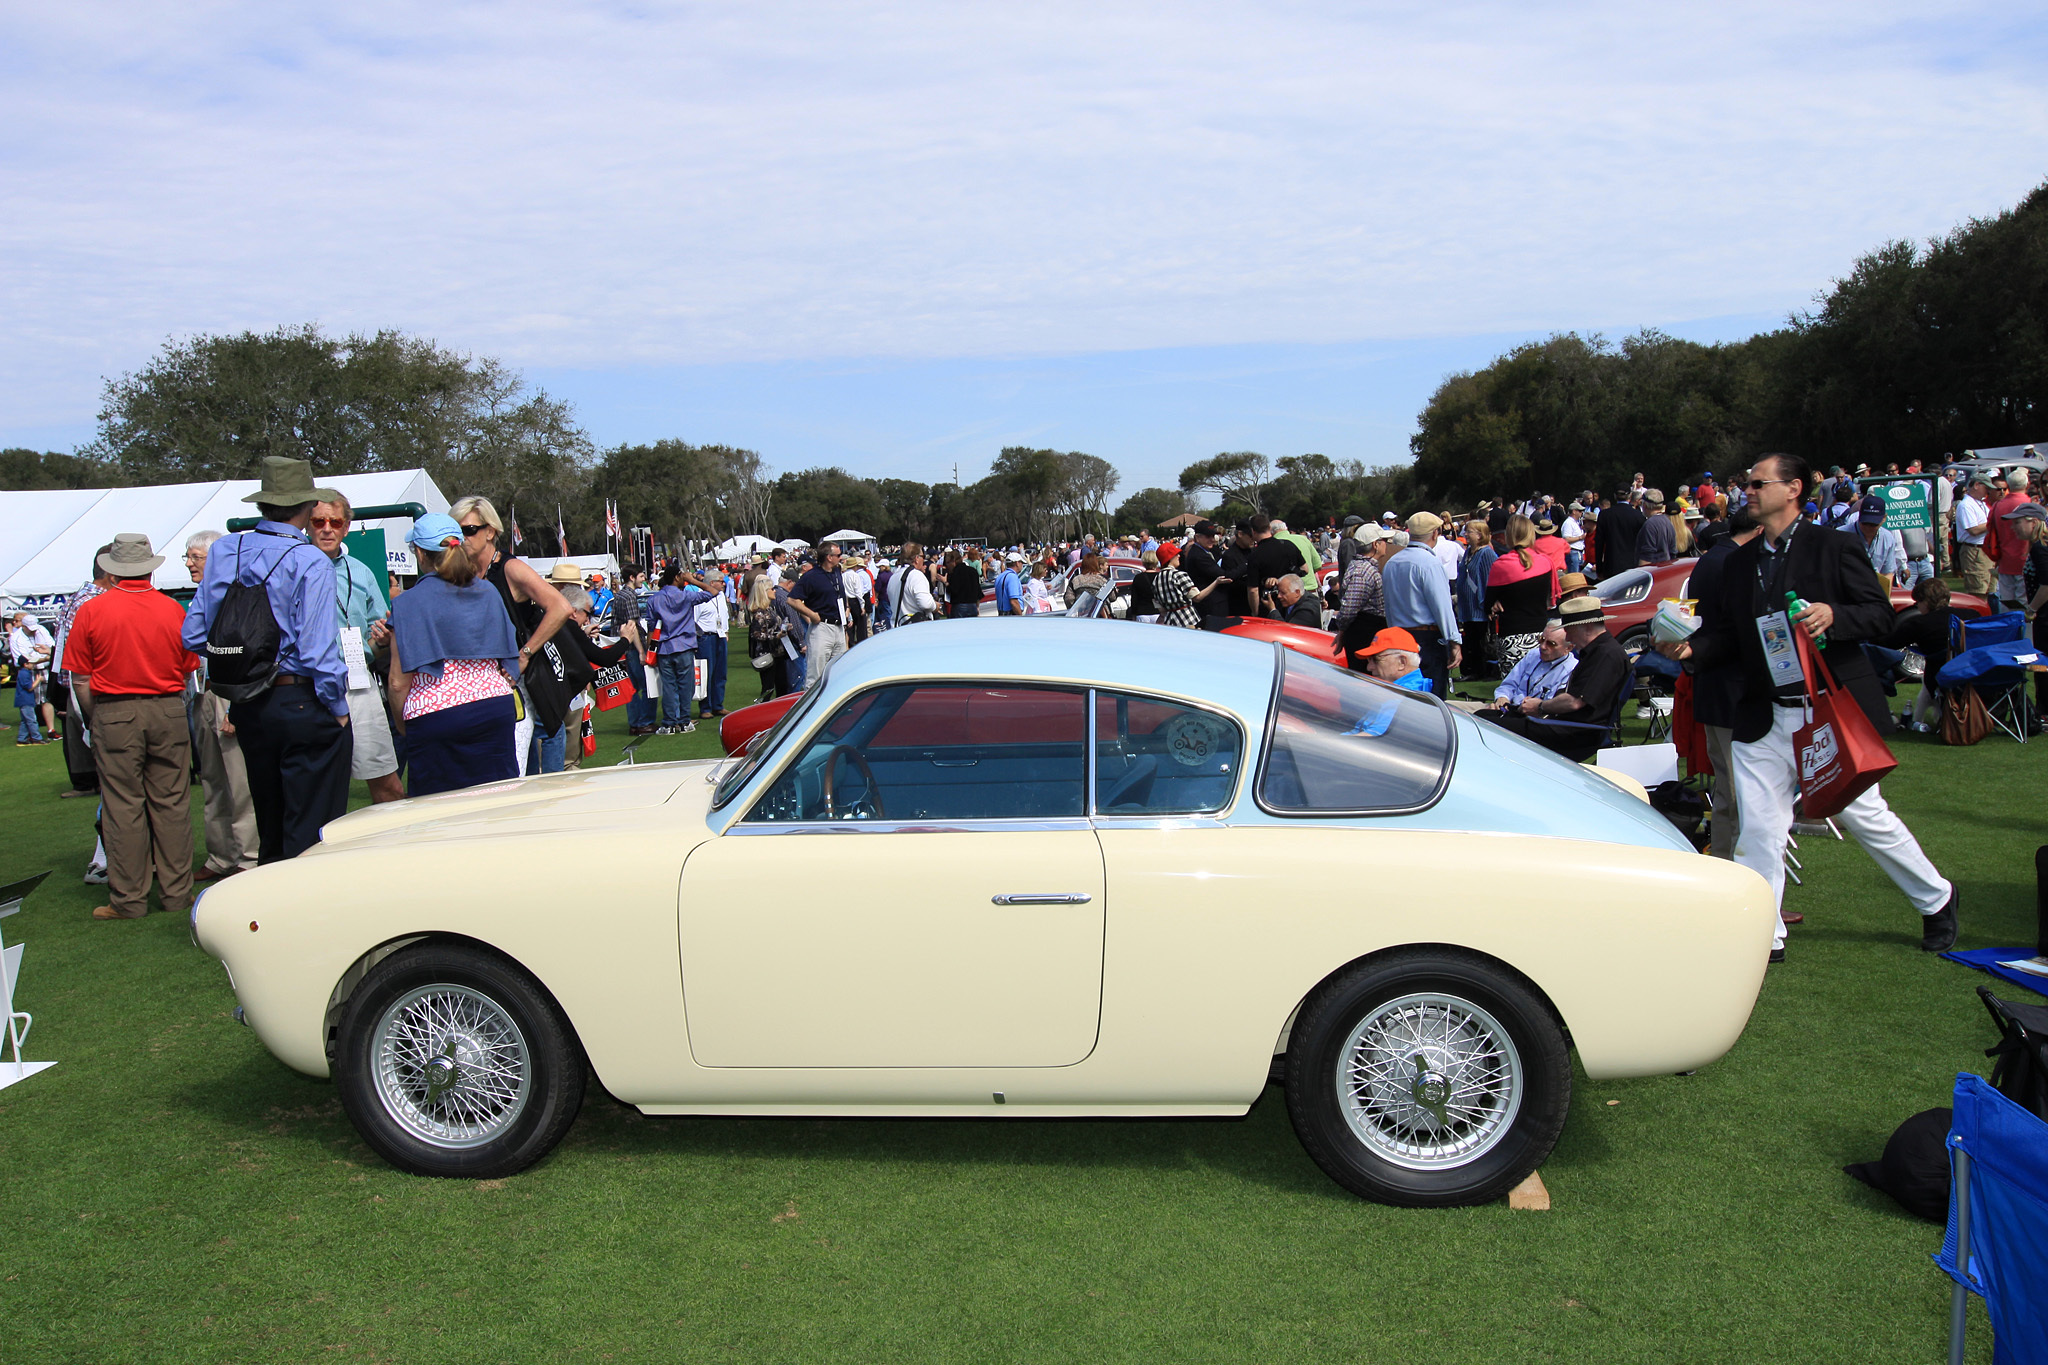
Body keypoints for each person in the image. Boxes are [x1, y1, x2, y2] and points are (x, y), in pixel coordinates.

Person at [1660, 452, 1954, 962]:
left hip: (1828, 711)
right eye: (1747, 485)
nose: (1747, 492)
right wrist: (1692, 649)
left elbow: (1880, 617)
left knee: (1865, 816)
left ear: (1793, 488)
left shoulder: (1833, 547)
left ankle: (1936, 898)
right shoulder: (1738, 562)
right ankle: (1765, 933)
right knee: (1760, 827)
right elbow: (1729, 634)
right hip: (1761, 714)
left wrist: (1832, 614)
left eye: (1758, 484)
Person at [181, 457, 352, 864]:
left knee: (270, 821)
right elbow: (316, 650)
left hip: (249, 702)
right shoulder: (310, 560)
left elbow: (193, 634)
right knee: (314, 830)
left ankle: (271, 911)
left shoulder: (225, 550)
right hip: (300, 699)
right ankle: (307, 914)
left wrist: (244, 658)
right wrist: (338, 707)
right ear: (309, 508)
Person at [64, 534, 200, 920]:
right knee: (172, 803)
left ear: (112, 569)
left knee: (123, 807)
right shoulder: (172, 609)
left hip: (115, 711)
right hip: (168, 709)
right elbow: (191, 667)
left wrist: (95, 718)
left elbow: (80, 679)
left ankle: (129, 899)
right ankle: (177, 893)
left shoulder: (93, 611)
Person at [386, 516, 522, 797]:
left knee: (438, 816)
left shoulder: (407, 603)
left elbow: (398, 682)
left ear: (420, 554)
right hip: (494, 706)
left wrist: (405, 728)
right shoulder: (488, 592)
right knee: (499, 805)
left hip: (434, 713)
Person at [453, 495, 571, 775]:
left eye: (469, 530)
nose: (462, 538)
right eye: (455, 531)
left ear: (490, 531)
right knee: (514, 755)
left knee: (535, 741)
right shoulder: (463, 573)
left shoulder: (510, 568)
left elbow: (560, 607)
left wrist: (525, 653)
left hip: (520, 677)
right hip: (485, 679)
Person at [307, 496, 405, 803]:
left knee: (388, 784)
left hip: (358, 680)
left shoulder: (361, 572)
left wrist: (383, 638)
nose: (326, 529)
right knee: (317, 788)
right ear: (306, 525)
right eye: (318, 522)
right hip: (310, 686)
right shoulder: (296, 568)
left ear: (346, 527)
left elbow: (379, 634)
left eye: (334, 522)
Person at [180, 531, 257, 881]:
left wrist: (234, 707)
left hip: (230, 690)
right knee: (211, 777)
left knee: (238, 779)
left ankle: (249, 856)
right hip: (204, 692)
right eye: (189, 557)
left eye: (196, 557)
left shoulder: (235, 595)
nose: (189, 563)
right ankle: (219, 855)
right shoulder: (202, 596)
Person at [1686, 507, 1760, 861]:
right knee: (1739, 794)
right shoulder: (1732, 563)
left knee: (1728, 791)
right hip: (1732, 690)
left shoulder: (1712, 559)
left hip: (1715, 687)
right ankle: (1741, 874)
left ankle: (1726, 865)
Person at [1479, 597, 1630, 758]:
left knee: (1487, 726)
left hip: (1574, 733)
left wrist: (1540, 706)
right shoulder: (1599, 652)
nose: (1569, 638)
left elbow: (1575, 701)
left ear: (1586, 627)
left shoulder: (1605, 655)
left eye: (1569, 630)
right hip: (1565, 725)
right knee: (1484, 717)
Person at [52, 544, 113, 801]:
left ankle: (85, 782)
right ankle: (99, 780)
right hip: (87, 679)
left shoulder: (77, 598)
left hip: (71, 678)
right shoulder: (94, 602)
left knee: (77, 736)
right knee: (96, 732)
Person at [1383, 519, 1460, 696]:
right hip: (1427, 638)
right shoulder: (1429, 563)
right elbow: (1442, 606)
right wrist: (1454, 641)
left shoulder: (1392, 563)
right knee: (1432, 697)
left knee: (1404, 695)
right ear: (1434, 534)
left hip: (1399, 635)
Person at [645, 564, 719, 733]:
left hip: (664, 647)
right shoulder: (686, 596)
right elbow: (712, 592)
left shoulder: (655, 599)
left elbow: (651, 627)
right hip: (684, 645)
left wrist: (650, 650)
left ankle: (670, 722)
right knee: (686, 686)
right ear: (677, 578)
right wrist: (692, 580)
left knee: (669, 687)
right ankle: (684, 721)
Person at [1882, 576, 1955, 735]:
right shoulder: (1971, 614)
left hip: (1939, 676)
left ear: (1926, 602)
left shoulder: (1920, 624)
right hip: (1973, 675)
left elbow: (1889, 643)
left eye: (1917, 603)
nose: (1917, 607)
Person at [1486, 515, 1553, 672]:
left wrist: (1494, 603)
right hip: (1540, 635)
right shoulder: (1545, 562)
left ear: (1509, 535)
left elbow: (1487, 605)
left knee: (1512, 691)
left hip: (1512, 636)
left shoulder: (1501, 566)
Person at [2004, 502, 2048, 719]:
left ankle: (2044, 711)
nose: (2014, 527)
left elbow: (2047, 585)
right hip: (2043, 615)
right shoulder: (2038, 546)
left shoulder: (2041, 547)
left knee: (2044, 666)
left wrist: (2031, 609)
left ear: (2033, 522)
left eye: (2018, 522)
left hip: (2045, 617)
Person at [1336, 525, 1400, 669]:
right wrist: (1342, 631)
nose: (1386, 544)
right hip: (1365, 633)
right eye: (1383, 540)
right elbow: (1349, 609)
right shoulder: (1363, 571)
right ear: (1375, 545)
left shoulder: (1362, 568)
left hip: (1366, 630)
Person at [1491, 624, 1577, 709]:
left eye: (1551, 644)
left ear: (1568, 648)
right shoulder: (1533, 654)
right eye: (1541, 639)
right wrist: (1502, 697)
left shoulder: (1572, 670)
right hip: (1510, 708)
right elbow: (1508, 684)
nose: (1542, 646)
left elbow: (1553, 706)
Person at [1455, 517, 1498, 679]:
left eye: (1469, 532)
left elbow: (1489, 580)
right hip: (1467, 607)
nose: (1465, 534)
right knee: (1470, 640)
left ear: (1480, 535)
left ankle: (1481, 671)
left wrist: (1487, 605)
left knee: (1480, 641)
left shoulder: (1486, 554)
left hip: (1479, 608)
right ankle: (1470, 670)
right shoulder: (1468, 552)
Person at [1987, 469, 2035, 613]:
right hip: (2026, 560)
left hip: (2004, 560)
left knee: (2006, 603)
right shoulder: (2030, 504)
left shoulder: (1997, 506)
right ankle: (2023, 631)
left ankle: (2009, 631)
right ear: (2027, 484)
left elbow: (1990, 530)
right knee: (2024, 602)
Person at [744, 574, 793, 698]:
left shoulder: (770, 609)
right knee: (768, 687)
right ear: (764, 592)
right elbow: (757, 634)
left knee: (782, 685)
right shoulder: (760, 614)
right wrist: (776, 636)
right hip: (767, 655)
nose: (774, 591)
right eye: (771, 589)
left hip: (777, 653)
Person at [694, 566, 730, 719]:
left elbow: (724, 615)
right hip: (705, 637)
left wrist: (726, 632)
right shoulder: (699, 598)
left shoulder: (721, 597)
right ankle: (705, 707)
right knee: (706, 673)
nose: (723, 584)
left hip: (720, 635)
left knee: (720, 672)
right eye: (720, 581)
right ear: (711, 583)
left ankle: (718, 704)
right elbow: (694, 620)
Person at [8, 612, 50, 745]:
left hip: (24, 699)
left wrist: (45, 657)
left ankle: (22, 738)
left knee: (26, 719)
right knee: (30, 719)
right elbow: (30, 687)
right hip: (26, 699)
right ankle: (36, 738)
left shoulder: (41, 630)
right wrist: (38, 680)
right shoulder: (24, 673)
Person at [1954, 473, 1995, 598]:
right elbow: (1974, 530)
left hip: (1985, 550)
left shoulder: (1981, 503)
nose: (1987, 491)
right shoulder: (1966, 505)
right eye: (1986, 487)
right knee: (1978, 591)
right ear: (1976, 485)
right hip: (1974, 551)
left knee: (1991, 590)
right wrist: (1993, 522)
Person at [1854, 495, 1907, 588]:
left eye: (1873, 524)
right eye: (1865, 523)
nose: (1868, 528)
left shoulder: (1888, 538)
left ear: (1884, 518)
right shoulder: (1841, 534)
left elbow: (1888, 574)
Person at [1356, 628, 1430, 691]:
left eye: (1376, 659)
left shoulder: (1404, 695)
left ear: (1402, 662)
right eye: (1369, 659)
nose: (1369, 667)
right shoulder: (1419, 688)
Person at [1594, 490, 1645, 579]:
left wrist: (1599, 568)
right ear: (1630, 495)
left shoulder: (1605, 515)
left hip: (1611, 564)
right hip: (1632, 565)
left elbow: (1599, 543)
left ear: (1615, 496)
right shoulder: (1639, 516)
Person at [886, 543, 938, 625]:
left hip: (897, 627)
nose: (923, 561)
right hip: (915, 629)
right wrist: (935, 606)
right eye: (923, 557)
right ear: (917, 558)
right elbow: (926, 604)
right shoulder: (916, 575)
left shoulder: (894, 576)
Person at [1637, 491, 1678, 565]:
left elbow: (1646, 557)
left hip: (1654, 570)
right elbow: (1673, 552)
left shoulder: (1650, 524)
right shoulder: (1667, 521)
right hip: (1665, 568)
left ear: (1645, 505)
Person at [1126, 550, 1161, 623]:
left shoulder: (1138, 578)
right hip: (1158, 612)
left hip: (1142, 613)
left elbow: (1134, 598)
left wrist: (1133, 613)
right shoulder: (1160, 576)